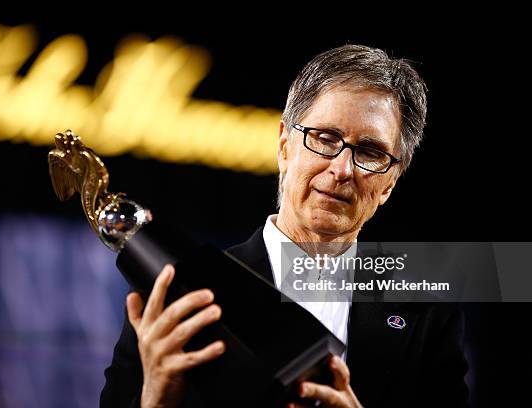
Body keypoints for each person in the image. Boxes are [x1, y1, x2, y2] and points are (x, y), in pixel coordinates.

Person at [100, 45, 469, 407]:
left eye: (370, 152)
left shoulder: (429, 324)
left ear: (389, 182)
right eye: (325, 138)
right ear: (284, 146)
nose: (342, 169)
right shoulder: (174, 298)